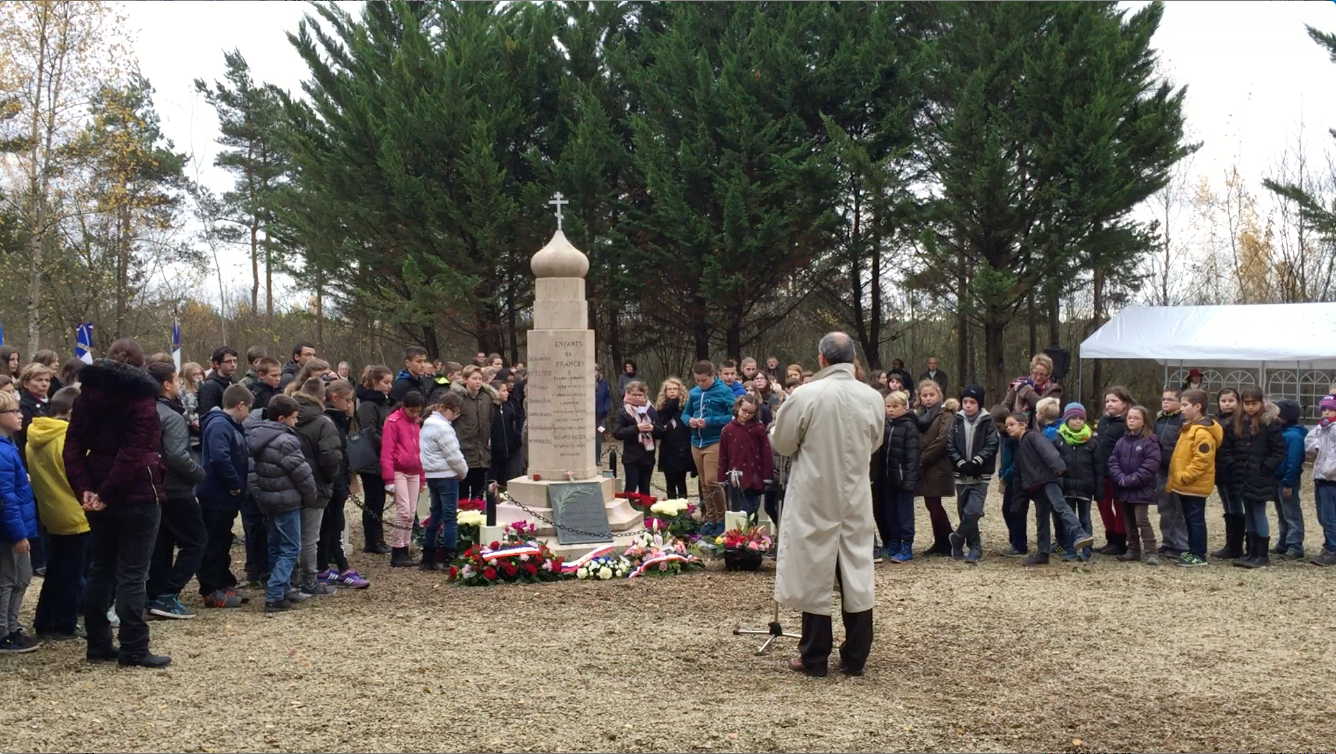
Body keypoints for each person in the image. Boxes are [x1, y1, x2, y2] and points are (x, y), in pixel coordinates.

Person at [771, 332, 883, 678]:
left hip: (815, 493)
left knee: (814, 571)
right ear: (852, 359)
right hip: (855, 493)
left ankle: (814, 655)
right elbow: (875, 441)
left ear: (822, 358)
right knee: (857, 571)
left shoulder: (806, 395)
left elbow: (783, 442)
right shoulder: (872, 397)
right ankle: (856, 656)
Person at [62, 338, 170, 668]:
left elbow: (73, 447)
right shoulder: (142, 399)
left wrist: (86, 489)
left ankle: (98, 642)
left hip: (99, 485)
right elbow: (134, 453)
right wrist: (100, 493)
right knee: (132, 573)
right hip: (136, 492)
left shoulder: (85, 397)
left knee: (102, 567)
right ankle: (134, 646)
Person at [144, 361, 207, 620]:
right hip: (176, 489)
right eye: (176, 380)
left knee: (162, 544)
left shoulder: (144, 411)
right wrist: (200, 473)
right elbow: (177, 456)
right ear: (167, 384)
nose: (180, 384)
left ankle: (154, 595)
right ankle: (169, 594)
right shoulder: (171, 416)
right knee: (196, 542)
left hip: (153, 488)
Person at [246, 394, 318, 613]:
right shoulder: (286, 441)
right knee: (290, 548)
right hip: (287, 501)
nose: (296, 422)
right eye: (294, 418)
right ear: (282, 418)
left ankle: (282, 588)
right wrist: (311, 496)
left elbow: (252, 474)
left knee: (276, 546)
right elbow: (302, 474)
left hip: (268, 500)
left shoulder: (255, 436)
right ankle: (276, 593)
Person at [27, 387, 87, 641]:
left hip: (52, 511)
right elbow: (78, 476)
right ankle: (64, 622)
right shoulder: (66, 440)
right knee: (72, 572)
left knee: (56, 569)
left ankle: (46, 621)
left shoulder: (36, 436)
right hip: (75, 513)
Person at [1005, 411, 1093, 566]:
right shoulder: (1020, 446)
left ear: (1023, 424)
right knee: (1042, 519)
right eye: (1007, 426)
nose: (1008, 428)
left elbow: (1048, 451)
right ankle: (1043, 553)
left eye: (1011, 424)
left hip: (1048, 481)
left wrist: (1058, 467)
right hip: (1036, 487)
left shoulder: (1033, 436)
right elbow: (1020, 474)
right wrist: (1018, 501)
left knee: (1060, 507)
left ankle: (1079, 534)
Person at [195, 384, 253, 610]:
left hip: (225, 496)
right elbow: (220, 458)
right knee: (213, 542)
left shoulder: (230, 425)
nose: (248, 413)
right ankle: (211, 590)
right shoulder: (219, 425)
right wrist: (234, 484)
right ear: (240, 405)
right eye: (248, 408)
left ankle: (223, 581)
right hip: (216, 494)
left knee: (223, 540)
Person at [1219, 387, 1284, 568]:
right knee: (1248, 512)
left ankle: (1261, 554)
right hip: (1241, 475)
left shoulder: (1270, 423)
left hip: (1260, 476)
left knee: (1258, 512)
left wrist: (1265, 468)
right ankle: (1251, 551)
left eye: (1254, 403)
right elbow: (1227, 447)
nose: (1250, 407)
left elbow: (1278, 451)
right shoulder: (1236, 423)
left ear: (1261, 403)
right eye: (1247, 403)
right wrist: (1232, 464)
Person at [291, 378, 342, 596]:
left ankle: (290, 580)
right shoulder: (323, 422)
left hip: (290, 483)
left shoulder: (287, 415)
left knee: (291, 537)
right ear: (322, 397)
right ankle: (309, 580)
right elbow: (330, 457)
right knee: (310, 537)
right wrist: (330, 478)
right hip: (315, 483)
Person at [315, 379, 368, 588]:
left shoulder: (339, 420)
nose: (350, 404)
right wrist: (339, 482)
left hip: (338, 481)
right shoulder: (329, 422)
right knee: (332, 526)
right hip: (332, 482)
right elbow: (333, 456)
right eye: (347, 400)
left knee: (332, 527)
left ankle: (324, 567)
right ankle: (341, 568)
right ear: (335, 398)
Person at [0, 389, 39, 654]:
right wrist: (17, 533)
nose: (20, 414)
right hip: (9, 529)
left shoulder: (9, 446)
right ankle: (3, 631)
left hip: (19, 524)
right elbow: (5, 498)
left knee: (22, 577)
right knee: (8, 579)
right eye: (13, 411)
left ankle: (13, 626)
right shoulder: (2, 452)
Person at [1166, 389, 1222, 567]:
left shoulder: (1202, 433)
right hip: (1186, 485)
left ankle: (1198, 554)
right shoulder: (1189, 428)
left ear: (1198, 407)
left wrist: (1185, 476)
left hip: (1194, 485)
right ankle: (1192, 551)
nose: (1181, 408)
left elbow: (1202, 460)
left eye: (1185, 405)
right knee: (1190, 520)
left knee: (1195, 520)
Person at [946, 386, 997, 564]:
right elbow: (950, 444)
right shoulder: (957, 420)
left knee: (973, 511)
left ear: (979, 404)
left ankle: (958, 537)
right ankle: (973, 546)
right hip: (961, 473)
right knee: (964, 511)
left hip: (980, 474)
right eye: (965, 402)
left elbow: (992, 444)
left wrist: (977, 461)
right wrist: (960, 462)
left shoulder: (987, 421)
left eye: (972, 402)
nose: (968, 405)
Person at [683, 360, 734, 537]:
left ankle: (721, 519)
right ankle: (710, 518)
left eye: (704, 380)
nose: (700, 383)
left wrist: (710, 421)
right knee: (704, 483)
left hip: (715, 440)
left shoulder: (724, 391)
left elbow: (732, 415)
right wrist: (689, 421)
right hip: (696, 441)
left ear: (713, 376)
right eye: (697, 380)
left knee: (713, 480)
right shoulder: (694, 393)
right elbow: (685, 414)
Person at [419, 391, 468, 571]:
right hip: (447, 475)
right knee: (449, 518)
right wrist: (463, 471)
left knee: (435, 515)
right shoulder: (443, 428)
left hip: (432, 475)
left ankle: (428, 555)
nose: (455, 417)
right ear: (447, 409)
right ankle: (449, 556)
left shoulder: (427, 424)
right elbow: (453, 455)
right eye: (455, 413)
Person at [1108, 405, 1162, 565]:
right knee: (1128, 521)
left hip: (1141, 489)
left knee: (1141, 519)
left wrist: (1132, 479)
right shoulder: (1122, 441)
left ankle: (1151, 551)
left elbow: (1151, 465)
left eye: (1136, 418)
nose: (1132, 421)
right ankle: (1133, 550)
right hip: (1124, 488)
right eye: (1129, 418)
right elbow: (1113, 461)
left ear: (1144, 421)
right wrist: (1120, 477)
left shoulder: (1150, 441)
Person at [871, 390, 920, 564]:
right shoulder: (887, 426)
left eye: (895, 406)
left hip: (904, 480)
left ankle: (906, 546)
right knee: (890, 513)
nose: (890, 410)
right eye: (888, 406)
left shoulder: (909, 427)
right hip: (888, 480)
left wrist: (909, 480)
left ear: (905, 407)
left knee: (904, 514)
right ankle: (894, 543)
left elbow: (913, 457)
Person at [380, 390, 424, 568]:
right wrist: (389, 479)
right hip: (399, 471)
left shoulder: (416, 423)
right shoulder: (393, 422)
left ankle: (405, 547)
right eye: (412, 411)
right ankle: (397, 548)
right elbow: (387, 451)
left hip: (414, 471)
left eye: (418, 411)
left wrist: (422, 477)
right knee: (403, 511)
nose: (415, 414)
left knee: (411, 513)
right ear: (404, 407)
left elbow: (419, 450)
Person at [914, 380, 956, 556]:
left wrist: (923, 458)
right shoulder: (919, 415)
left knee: (934, 504)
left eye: (931, 395)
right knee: (930, 504)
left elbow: (943, 439)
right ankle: (941, 541)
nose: (928, 398)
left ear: (939, 395)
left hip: (938, 464)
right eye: (924, 395)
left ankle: (948, 540)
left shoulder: (946, 414)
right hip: (924, 467)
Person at [356, 366, 395, 554]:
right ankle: (372, 540)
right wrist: (388, 444)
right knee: (373, 500)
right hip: (372, 459)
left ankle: (378, 538)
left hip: (383, 456)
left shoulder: (384, 403)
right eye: (385, 382)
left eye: (390, 382)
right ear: (374, 382)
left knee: (379, 500)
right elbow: (369, 431)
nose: (389, 386)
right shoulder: (368, 405)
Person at [1094, 386, 1134, 556]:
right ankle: (1110, 538)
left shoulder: (1128, 423)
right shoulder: (1103, 421)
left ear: (1124, 403)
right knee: (1103, 505)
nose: (1109, 404)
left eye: (1114, 401)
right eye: (1107, 401)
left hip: (1119, 472)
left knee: (1120, 507)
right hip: (1101, 471)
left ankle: (1120, 541)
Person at [717, 394, 772, 518]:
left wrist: (767, 476)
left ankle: (752, 530)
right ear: (738, 407)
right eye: (744, 410)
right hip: (735, 478)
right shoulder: (727, 430)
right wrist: (721, 477)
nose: (746, 414)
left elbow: (766, 453)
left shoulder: (759, 429)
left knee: (752, 511)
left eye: (751, 413)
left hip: (755, 477)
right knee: (736, 512)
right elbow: (723, 455)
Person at [1154, 389, 1189, 559]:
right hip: (1161, 469)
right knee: (1164, 508)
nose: (1165, 402)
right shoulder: (1159, 419)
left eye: (1170, 399)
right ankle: (1168, 541)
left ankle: (1181, 544)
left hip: (1177, 469)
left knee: (1178, 509)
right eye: (1163, 399)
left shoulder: (1183, 420)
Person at [452, 366, 496, 502]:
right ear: (465, 379)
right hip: (464, 452)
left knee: (478, 494)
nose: (478, 382)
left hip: (482, 454)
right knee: (463, 494)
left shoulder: (486, 398)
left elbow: (490, 420)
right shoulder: (458, 398)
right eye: (474, 378)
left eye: (480, 379)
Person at [609, 380, 660, 496]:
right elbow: (617, 433)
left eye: (640, 395)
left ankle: (645, 507)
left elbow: (661, 430)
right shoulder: (624, 412)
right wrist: (636, 428)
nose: (637, 397)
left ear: (645, 395)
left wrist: (652, 428)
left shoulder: (651, 410)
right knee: (631, 487)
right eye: (634, 395)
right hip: (631, 457)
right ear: (628, 394)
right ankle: (629, 506)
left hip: (648, 456)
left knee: (645, 489)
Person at [1210, 388, 1243, 559]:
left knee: (1236, 507)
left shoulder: (1240, 421)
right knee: (1227, 507)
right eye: (1223, 401)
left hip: (1234, 470)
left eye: (1231, 401)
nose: (1227, 404)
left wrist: (1233, 464)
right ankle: (1230, 544)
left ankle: (1236, 545)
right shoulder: (1215, 420)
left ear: (1238, 402)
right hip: (1220, 469)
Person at [1304, 395, 1336, 566]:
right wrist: (1315, 447)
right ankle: (1328, 544)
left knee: (1330, 516)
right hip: (1321, 477)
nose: (1326, 412)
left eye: (1331, 409)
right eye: (1324, 409)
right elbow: (1309, 442)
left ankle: (1332, 549)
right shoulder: (1320, 428)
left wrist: (1328, 470)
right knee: (1323, 516)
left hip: (1331, 478)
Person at [1273, 399, 1307, 561]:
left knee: (1291, 513)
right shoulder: (1283, 433)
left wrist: (1289, 482)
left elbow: (1294, 462)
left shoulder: (1293, 436)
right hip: (1278, 479)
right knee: (1282, 513)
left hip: (1287, 481)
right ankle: (1284, 541)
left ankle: (1295, 544)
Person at [655, 377, 693, 500]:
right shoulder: (661, 409)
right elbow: (659, 428)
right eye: (669, 389)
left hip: (682, 447)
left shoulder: (685, 407)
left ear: (680, 390)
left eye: (675, 389)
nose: (672, 391)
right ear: (665, 391)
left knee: (681, 481)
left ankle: (683, 508)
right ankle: (671, 508)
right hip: (667, 448)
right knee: (670, 482)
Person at [1002, 353, 1062, 419]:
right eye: (1035, 373)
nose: (1038, 378)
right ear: (1031, 371)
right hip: (1016, 422)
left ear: (1048, 375)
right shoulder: (1019, 383)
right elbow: (1005, 405)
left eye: (1042, 374)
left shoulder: (1054, 389)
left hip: (1040, 424)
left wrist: (1027, 391)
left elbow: (1044, 409)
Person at [489, 381, 522, 486]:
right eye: (503, 391)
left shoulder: (508, 406)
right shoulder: (490, 409)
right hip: (494, 454)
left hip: (509, 452)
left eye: (506, 390)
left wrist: (516, 441)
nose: (507, 393)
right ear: (495, 392)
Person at [16, 361, 52, 456]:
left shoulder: (52, 404)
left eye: (47, 380)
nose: (44, 384)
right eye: (39, 380)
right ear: (26, 384)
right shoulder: (22, 407)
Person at [196, 347, 239, 415]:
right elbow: (207, 415)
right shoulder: (209, 387)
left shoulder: (234, 383)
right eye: (228, 362)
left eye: (235, 361)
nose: (233, 365)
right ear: (217, 364)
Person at [594, 364, 611, 460]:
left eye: (596, 370)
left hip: (601, 416)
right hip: (589, 415)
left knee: (599, 436)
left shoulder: (604, 383)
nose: (594, 372)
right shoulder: (585, 382)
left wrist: (606, 409)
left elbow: (608, 398)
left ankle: (597, 459)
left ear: (599, 371)